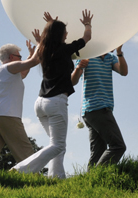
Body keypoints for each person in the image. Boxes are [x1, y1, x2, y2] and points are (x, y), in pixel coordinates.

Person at [13, 10, 93, 178]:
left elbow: (46, 38)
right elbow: (87, 38)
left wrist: (51, 24)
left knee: (56, 144)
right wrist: (87, 23)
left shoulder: (43, 49)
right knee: (57, 145)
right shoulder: (65, 50)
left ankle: (56, 177)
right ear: (60, 34)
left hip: (41, 103)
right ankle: (20, 171)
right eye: (65, 31)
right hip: (55, 103)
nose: (67, 34)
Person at [0, 41, 41, 172]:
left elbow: (23, 72)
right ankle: (36, 179)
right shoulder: (9, 68)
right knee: (25, 150)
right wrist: (41, 43)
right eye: (19, 57)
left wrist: (29, 56)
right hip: (7, 115)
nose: (20, 59)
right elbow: (34, 62)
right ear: (11, 57)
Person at [71, 44, 128, 169]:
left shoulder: (110, 58)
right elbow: (73, 81)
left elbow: (124, 72)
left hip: (96, 110)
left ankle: (90, 181)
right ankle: (98, 174)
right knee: (118, 146)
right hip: (96, 108)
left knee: (98, 151)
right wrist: (78, 67)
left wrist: (119, 53)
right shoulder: (87, 56)